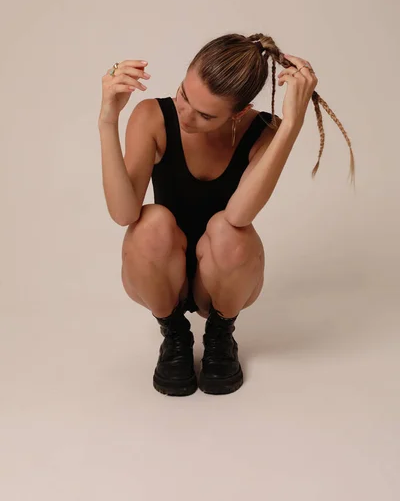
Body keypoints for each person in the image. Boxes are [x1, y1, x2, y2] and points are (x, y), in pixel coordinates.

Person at [98, 33, 355, 397]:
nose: (185, 114)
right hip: (158, 269)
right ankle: (174, 334)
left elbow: (239, 213)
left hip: (224, 276)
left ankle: (220, 334)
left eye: (205, 115)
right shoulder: (152, 116)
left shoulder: (262, 130)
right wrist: (108, 120)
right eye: (184, 94)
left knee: (228, 228)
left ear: (237, 112)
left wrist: (291, 125)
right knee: (150, 220)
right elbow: (124, 214)